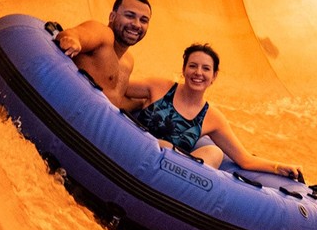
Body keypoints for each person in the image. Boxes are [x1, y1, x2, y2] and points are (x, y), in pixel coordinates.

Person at [126, 43, 304, 180]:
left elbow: (244, 159)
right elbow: (117, 88)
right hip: (132, 150)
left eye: (206, 68)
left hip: (167, 172)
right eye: (193, 66)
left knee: (214, 153)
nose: (198, 73)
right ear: (184, 69)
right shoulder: (159, 87)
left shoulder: (212, 118)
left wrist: (278, 167)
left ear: (214, 76)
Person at [56, 0, 152, 107]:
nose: (137, 25)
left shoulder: (128, 61)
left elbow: (114, 100)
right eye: (130, 16)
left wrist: (141, 103)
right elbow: (75, 34)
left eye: (143, 20)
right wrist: (72, 41)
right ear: (112, 16)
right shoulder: (103, 34)